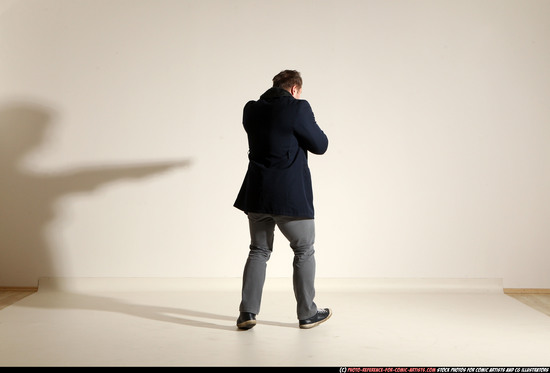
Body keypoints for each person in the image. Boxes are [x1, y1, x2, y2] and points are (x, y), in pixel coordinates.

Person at [233, 70, 331, 330]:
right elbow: (320, 145)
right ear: (295, 89)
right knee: (303, 249)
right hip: (289, 195)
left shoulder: (251, 109)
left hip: (257, 193)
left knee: (258, 250)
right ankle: (308, 313)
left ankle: (247, 313)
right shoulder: (298, 108)